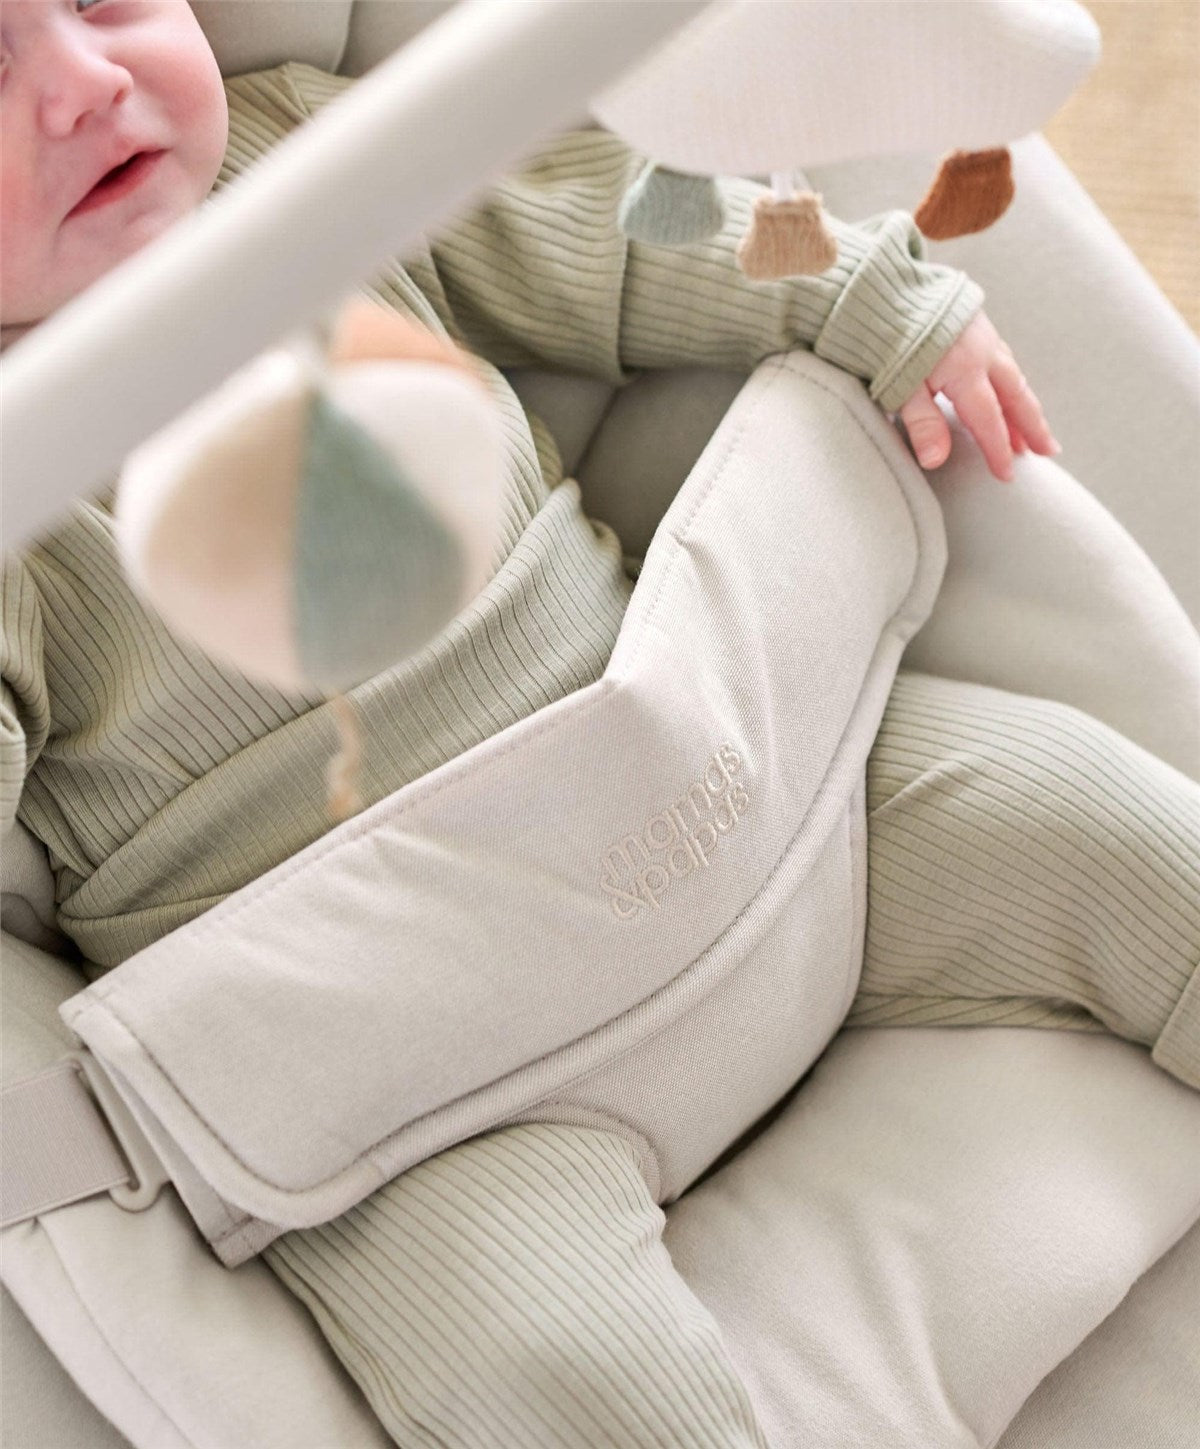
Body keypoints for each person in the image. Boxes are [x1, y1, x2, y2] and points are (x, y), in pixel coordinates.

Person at [2, 3, 1197, 1445]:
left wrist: (864, 294)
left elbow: (627, 233)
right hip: (438, 1097)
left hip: (758, 790)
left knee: (1120, 839)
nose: (85, 85)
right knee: (552, 1373)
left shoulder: (311, 170)